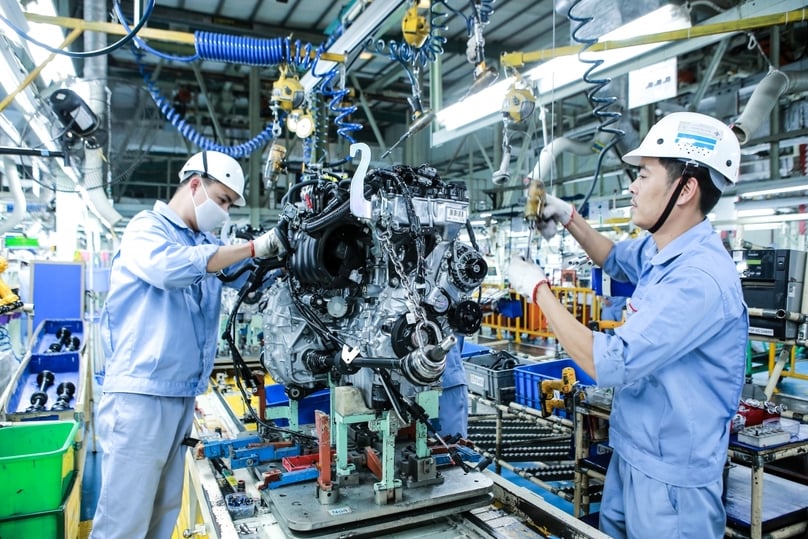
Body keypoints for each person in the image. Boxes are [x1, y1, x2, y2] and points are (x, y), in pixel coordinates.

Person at [508, 112, 748, 538]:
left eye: (643, 175)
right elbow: (614, 258)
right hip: (632, 455)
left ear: (686, 188)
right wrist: (569, 218)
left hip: (673, 484)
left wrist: (538, 290)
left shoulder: (699, 279)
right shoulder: (664, 250)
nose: (632, 186)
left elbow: (611, 361)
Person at [90, 150, 286, 539]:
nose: (225, 212)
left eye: (230, 205)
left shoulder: (205, 243)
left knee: (162, 513)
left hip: (178, 396)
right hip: (140, 396)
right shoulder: (147, 230)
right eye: (223, 200)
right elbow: (170, 268)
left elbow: (243, 276)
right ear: (195, 185)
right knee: (124, 522)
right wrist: (253, 247)